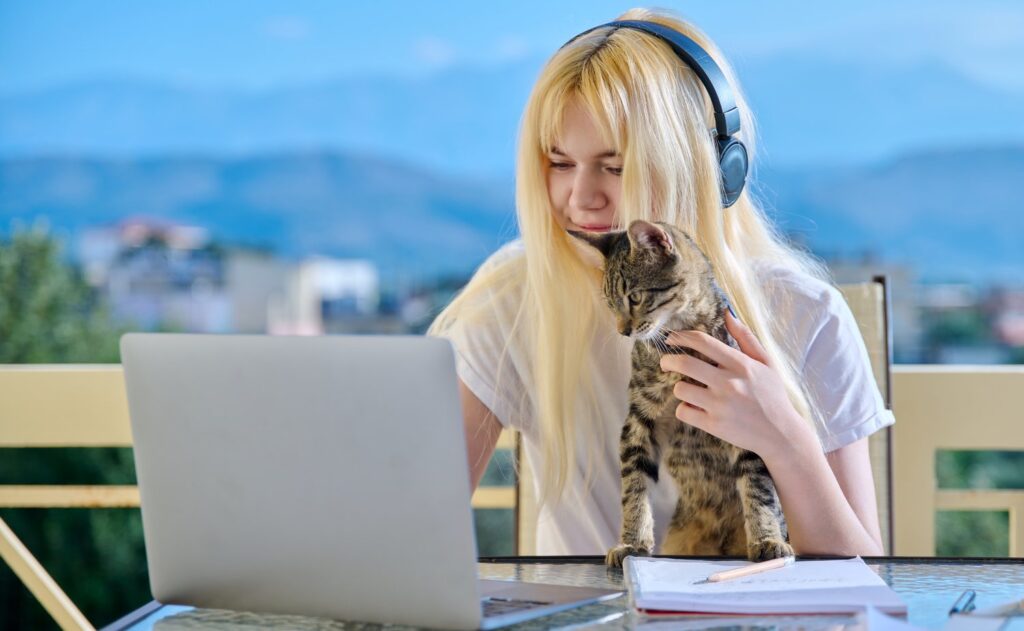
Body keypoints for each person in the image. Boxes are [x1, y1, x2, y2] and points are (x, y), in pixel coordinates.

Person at [428, 8, 893, 557]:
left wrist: (785, 439)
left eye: (616, 166)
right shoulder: (518, 297)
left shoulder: (806, 313)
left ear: (711, 168)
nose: (582, 197)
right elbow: (416, 521)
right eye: (558, 163)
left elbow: (867, 580)